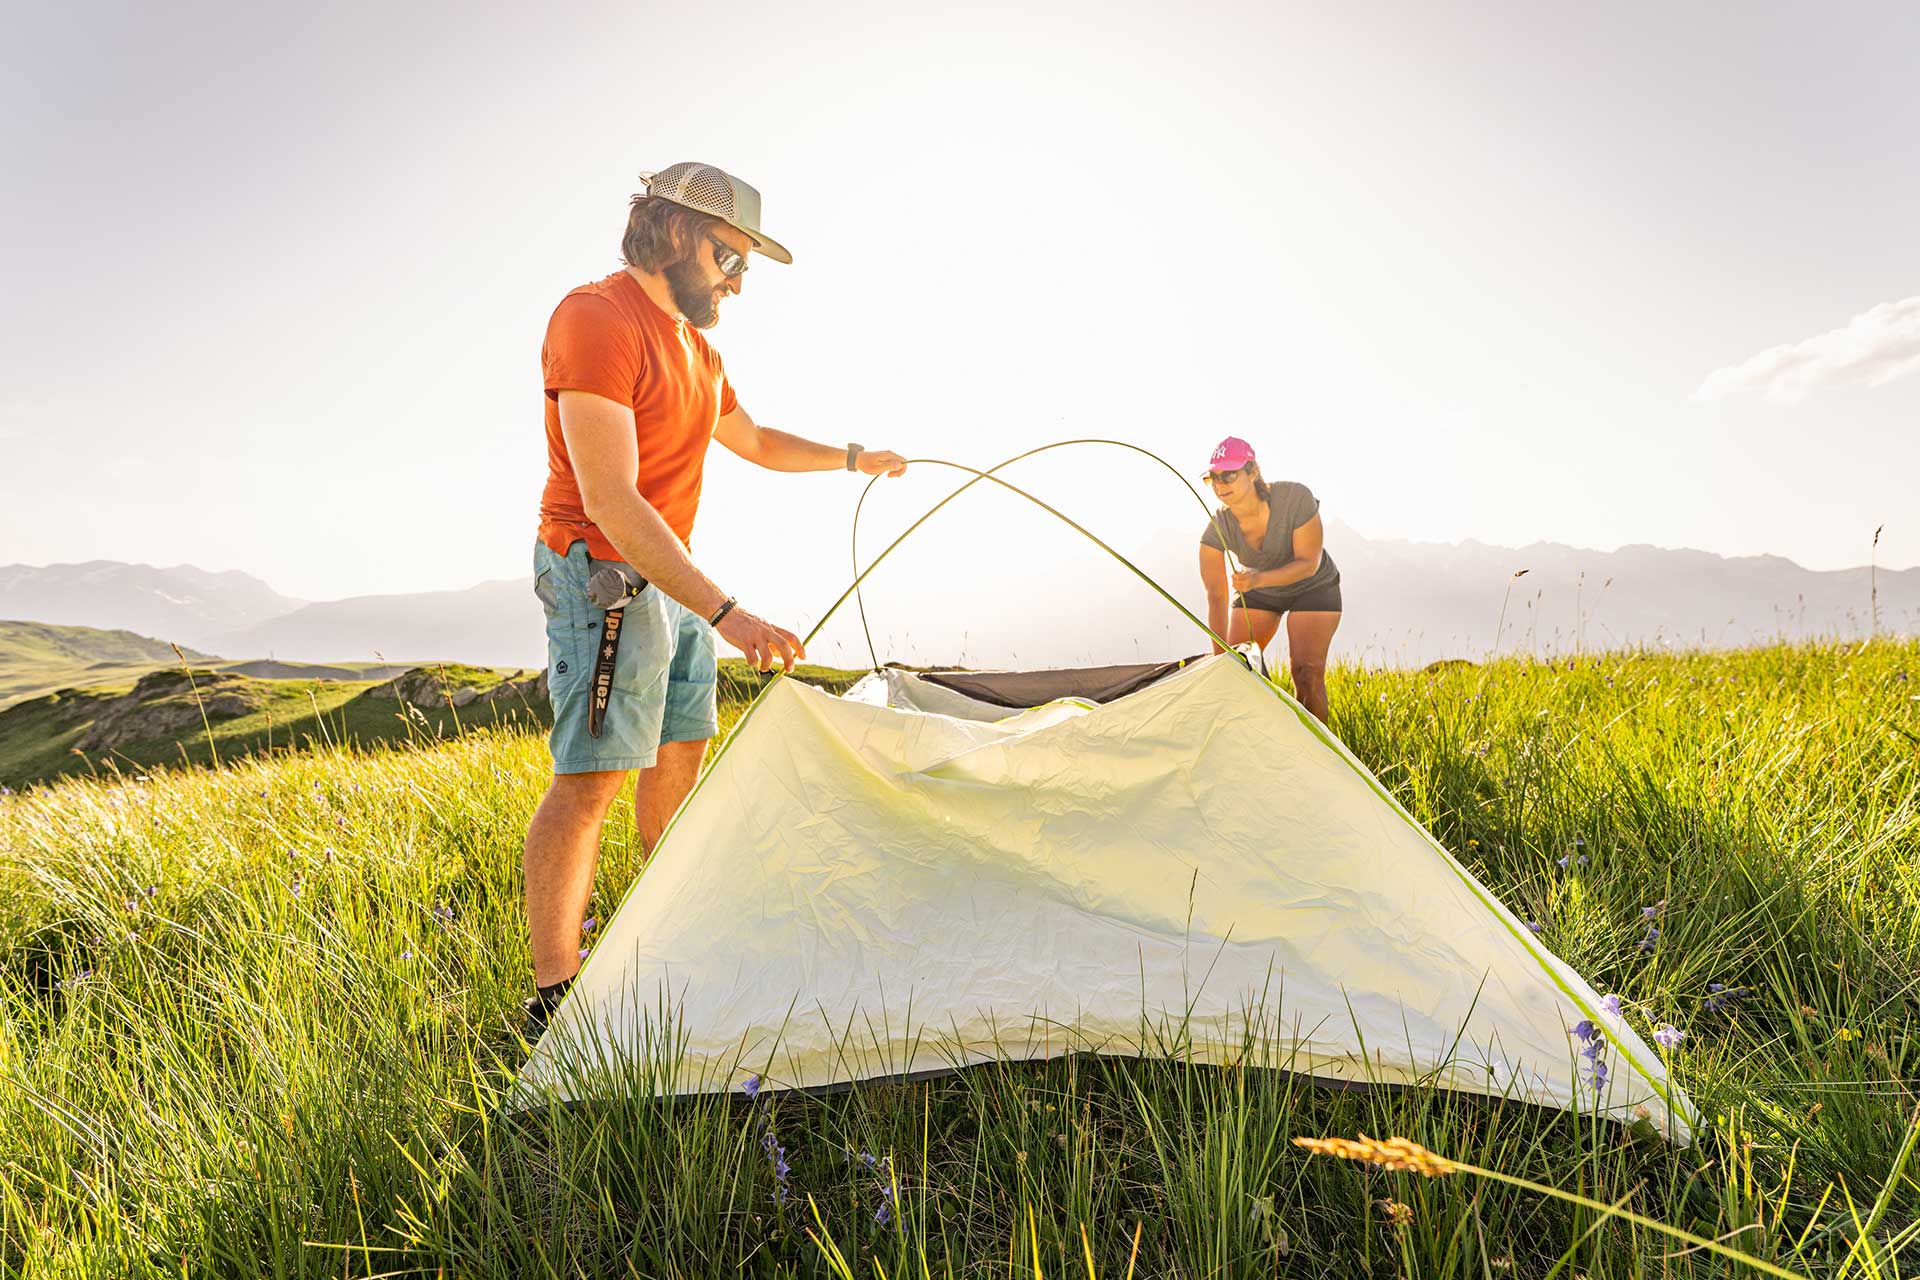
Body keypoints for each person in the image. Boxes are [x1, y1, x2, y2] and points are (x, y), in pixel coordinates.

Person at [522, 161, 908, 1039]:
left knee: (679, 754)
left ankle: (659, 942)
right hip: (602, 573)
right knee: (593, 778)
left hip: (672, 576)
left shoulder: (699, 352)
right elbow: (610, 498)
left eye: (746, 266)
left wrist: (855, 459)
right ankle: (554, 998)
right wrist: (730, 614)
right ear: (674, 233)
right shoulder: (596, 318)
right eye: (730, 258)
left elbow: (758, 440)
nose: (738, 282)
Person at [1196, 436, 1341, 723]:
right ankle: (1267, 740)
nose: (1221, 485)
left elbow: (1308, 564)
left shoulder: (1295, 498)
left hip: (1313, 586)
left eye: (1229, 475)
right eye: (1214, 478)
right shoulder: (1216, 529)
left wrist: (1257, 580)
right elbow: (1216, 595)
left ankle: (1317, 747)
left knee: (1307, 671)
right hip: (1259, 589)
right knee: (1239, 668)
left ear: (1252, 472)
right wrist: (1221, 660)